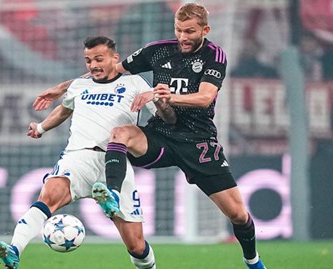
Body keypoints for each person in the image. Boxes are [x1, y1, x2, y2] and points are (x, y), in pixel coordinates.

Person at [33, 3, 267, 269]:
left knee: (237, 214)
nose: (183, 37)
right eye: (178, 30)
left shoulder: (215, 55)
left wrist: (162, 95)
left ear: (205, 29)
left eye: (190, 31)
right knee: (120, 134)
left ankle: (253, 260)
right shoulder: (158, 51)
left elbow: (204, 98)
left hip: (198, 141)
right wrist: (62, 88)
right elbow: (108, 69)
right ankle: (112, 194)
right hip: (162, 134)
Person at [0, 36, 176, 269]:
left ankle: (117, 205)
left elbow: (168, 119)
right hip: (78, 157)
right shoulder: (79, 86)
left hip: (115, 162)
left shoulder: (135, 84)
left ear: (115, 58)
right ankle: (14, 250)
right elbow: (63, 111)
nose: (93, 65)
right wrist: (40, 128)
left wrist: (161, 101)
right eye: (88, 60)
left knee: (136, 246)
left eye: (99, 59)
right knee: (47, 197)